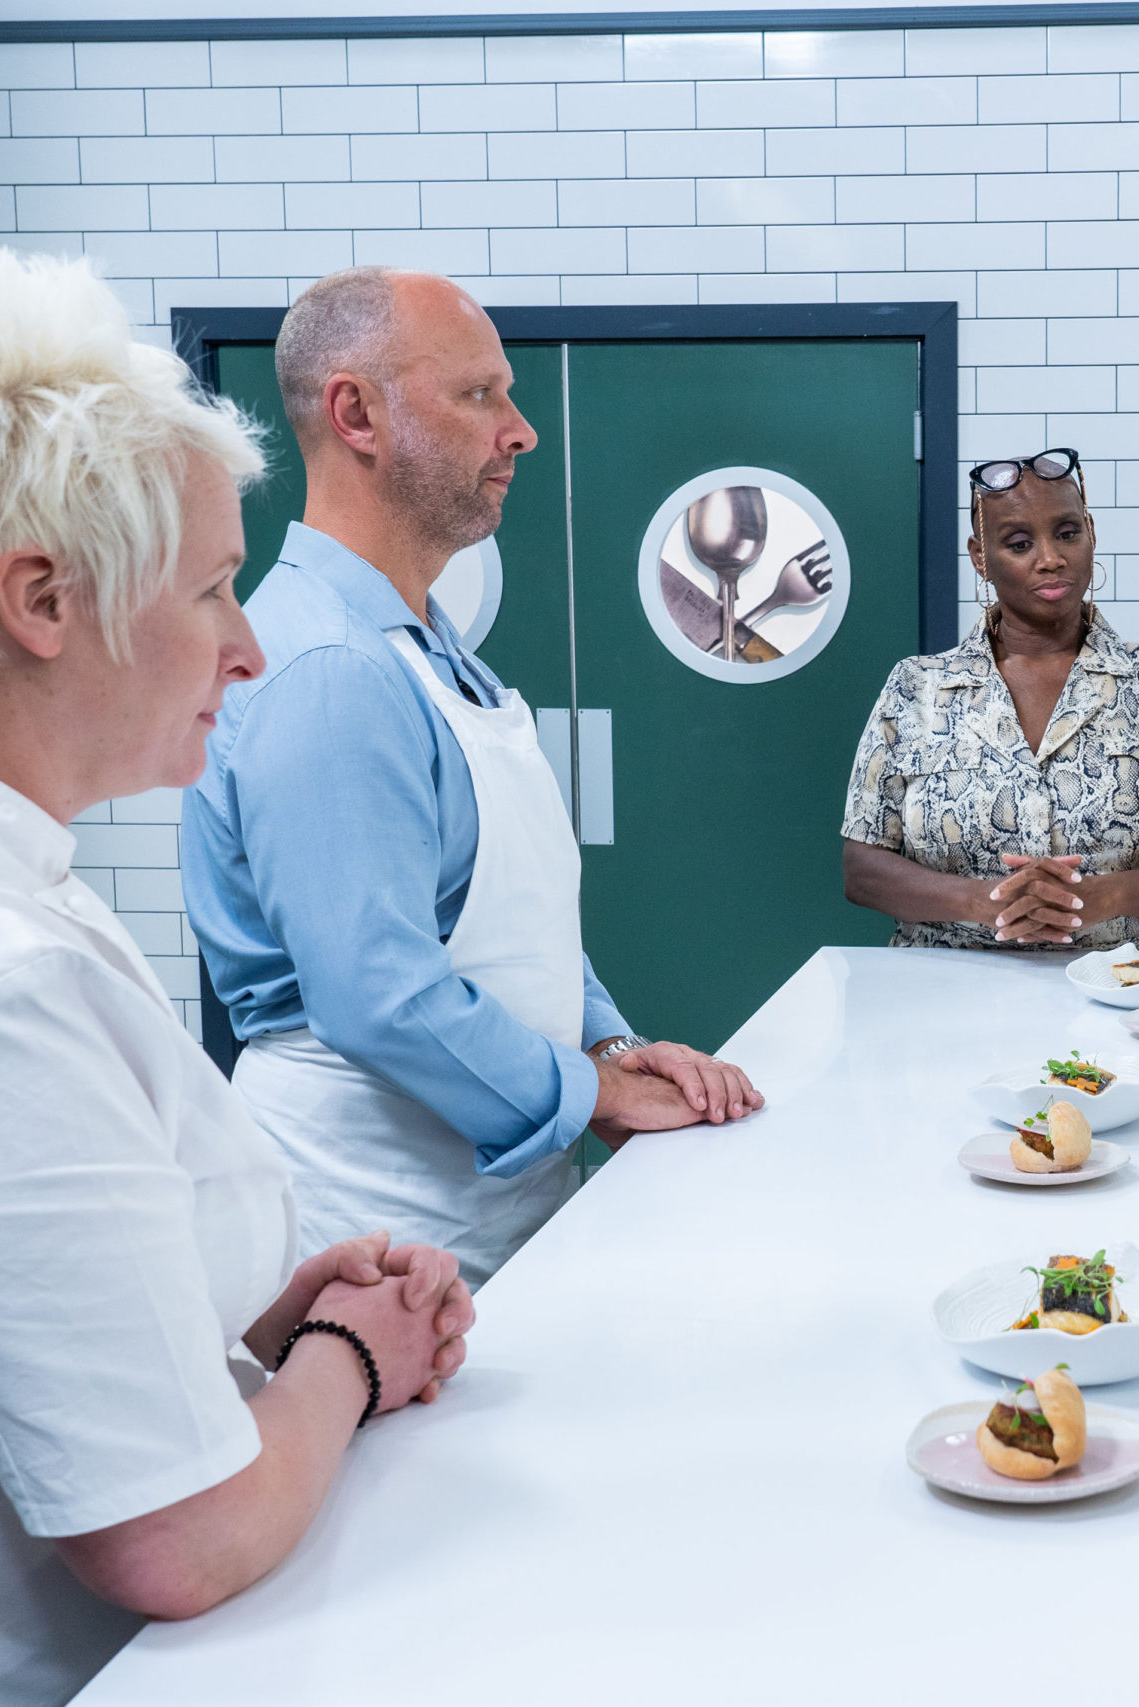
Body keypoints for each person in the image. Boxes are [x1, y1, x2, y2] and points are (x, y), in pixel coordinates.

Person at [0, 250, 474, 1707]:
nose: (250, 645)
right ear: (44, 598)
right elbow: (178, 1537)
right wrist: (346, 1349)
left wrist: (250, 1319)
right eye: (212, 586)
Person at [184, 267, 761, 1289]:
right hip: (366, 1221)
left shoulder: (428, 651)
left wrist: (617, 1049)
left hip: (474, 1204)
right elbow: (377, 995)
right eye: (479, 395)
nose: (519, 430)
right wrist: (593, 1096)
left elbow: (517, 934)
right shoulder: (329, 671)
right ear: (356, 413)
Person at [841, 448, 1139, 950]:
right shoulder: (917, 687)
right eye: (1018, 543)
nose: (1051, 558)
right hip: (945, 990)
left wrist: (1101, 897)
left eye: (1067, 533)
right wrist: (986, 902)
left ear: (1091, 534)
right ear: (980, 558)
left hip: (1129, 984)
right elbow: (862, 869)